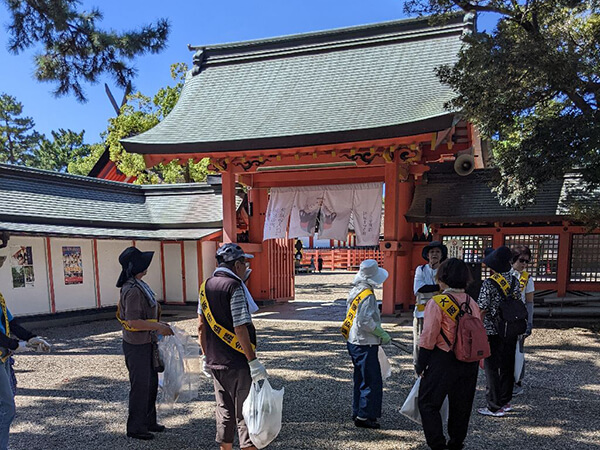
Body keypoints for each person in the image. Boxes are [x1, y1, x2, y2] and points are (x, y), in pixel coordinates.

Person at [198, 243, 267, 450]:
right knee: (247, 412)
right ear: (236, 265)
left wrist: (204, 356)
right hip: (238, 361)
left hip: (215, 361)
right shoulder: (234, 287)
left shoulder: (205, 286)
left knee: (224, 411)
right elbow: (240, 328)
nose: (246, 267)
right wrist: (253, 361)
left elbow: (201, 326)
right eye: (244, 263)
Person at [416, 258, 480, 450]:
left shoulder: (438, 302)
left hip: (444, 357)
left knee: (428, 403)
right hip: (469, 360)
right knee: (461, 405)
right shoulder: (471, 302)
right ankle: (456, 442)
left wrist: (421, 363)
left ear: (442, 278)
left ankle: (438, 444)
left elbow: (429, 337)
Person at [116, 246, 173, 441]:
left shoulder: (139, 285)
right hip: (136, 344)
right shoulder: (133, 291)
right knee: (140, 385)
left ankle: (148, 420)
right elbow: (133, 322)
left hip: (146, 342)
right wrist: (158, 327)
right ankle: (136, 427)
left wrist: (158, 326)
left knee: (150, 383)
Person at [0, 254, 52, 450]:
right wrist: (16, 345)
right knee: (6, 408)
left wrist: (31, 337)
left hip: (3, 357)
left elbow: (10, 321)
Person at [342, 259, 390, 429]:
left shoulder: (356, 290)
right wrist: (380, 333)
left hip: (354, 340)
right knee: (371, 379)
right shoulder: (368, 295)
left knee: (360, 378)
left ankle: (358, 410)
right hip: (365, 342)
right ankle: (365, 415)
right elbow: (365, 322)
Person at [476, 246, 521, 417]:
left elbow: (482, 308)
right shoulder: (514, 281)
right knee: (508, 365)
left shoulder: (489, 283)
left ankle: (494, 406)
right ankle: (505, 400)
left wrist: (478, 330)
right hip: (511, 327)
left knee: (492, 367)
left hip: (492, 329)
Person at [413, 242, 448, 362]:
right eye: (432, 252)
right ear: (427, 255)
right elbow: (418, 289)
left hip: (442, 312)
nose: (434, 254)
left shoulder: (444, 270)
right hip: (422, 312)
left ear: (442, 255)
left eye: (438, 252)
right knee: (421, 339)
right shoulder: (421, 269)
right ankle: (419, 365)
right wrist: (439, 287)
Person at [510, 245, 535, 395]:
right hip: (505, 318)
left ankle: (517, 380)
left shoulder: (527, 279)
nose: (524, 264)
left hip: (520, 319)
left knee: (518, 352)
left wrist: (530, 323)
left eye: (527, 261)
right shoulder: (505, 275)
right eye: (521, 260)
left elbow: (530, 302)